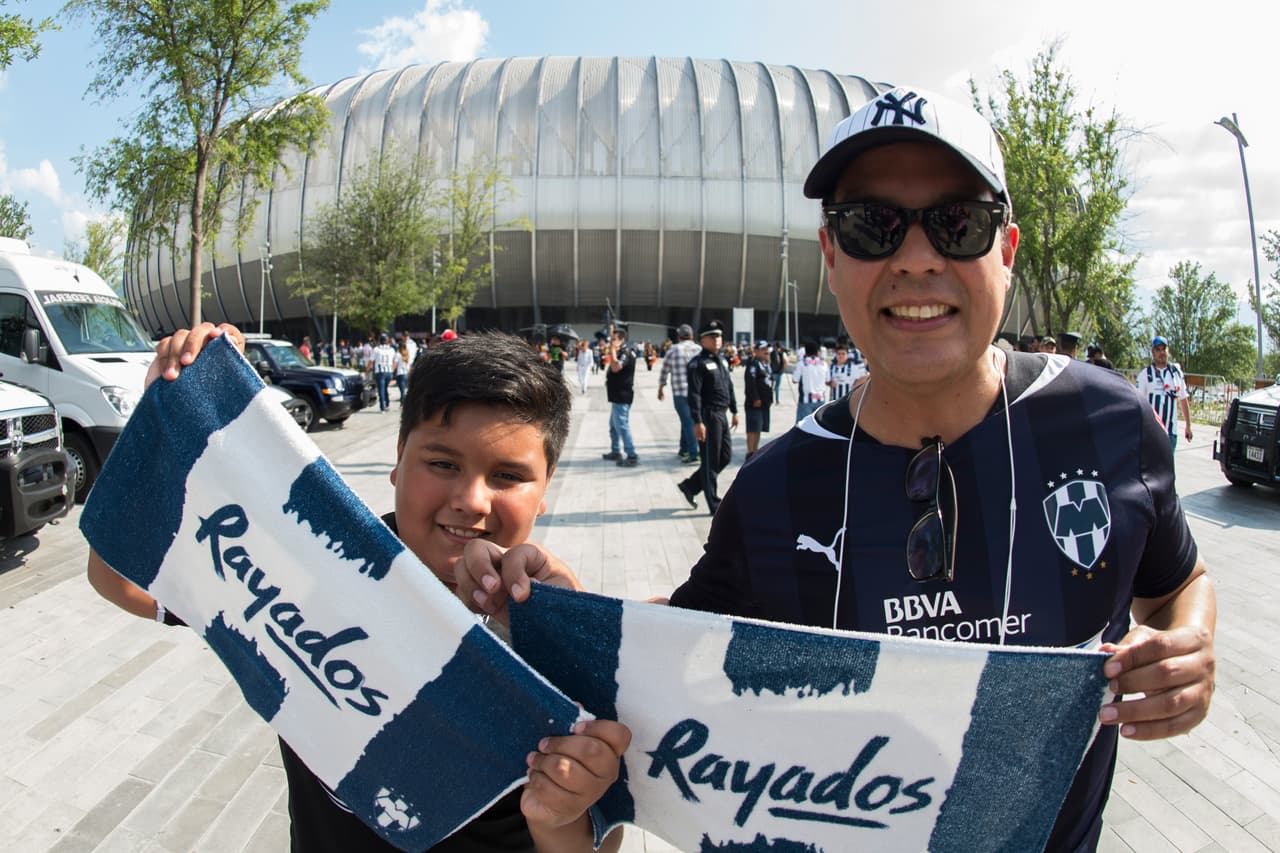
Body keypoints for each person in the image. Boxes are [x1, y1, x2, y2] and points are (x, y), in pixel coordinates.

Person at [463, 85, 1216, 852]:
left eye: (958, 224)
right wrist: (566, 613)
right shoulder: (772, 492)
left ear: (1008, 250)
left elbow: (1179, 580)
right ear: (830, 256)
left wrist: (1188, 642)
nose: (917, 259)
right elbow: (679, 648)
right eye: (872, 227)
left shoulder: (1107, 423)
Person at [86, 323, 629, 853]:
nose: (471, 499)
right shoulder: (319, 560)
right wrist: (165, 413)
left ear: (545, 491)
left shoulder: (566, 643)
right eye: (442, 463)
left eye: (508, 477)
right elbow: (117, 578)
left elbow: (603, 835)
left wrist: (561, 819)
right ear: (398, 458)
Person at [676, 320, 738, 514]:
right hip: (708, 415)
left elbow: (729, 386)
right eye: (712, 336)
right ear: (702, 340)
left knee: (725, 457)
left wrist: (735, 410)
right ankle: (714, 504)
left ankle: (691, 486)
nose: (717, 340)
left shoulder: (721, 360)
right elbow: (693, 395)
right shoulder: (697, 364)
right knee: (710, 460)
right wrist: (698, 421)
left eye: (718, 336)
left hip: (722, 414)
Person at [1136, 335, 1193, 449]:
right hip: (1152, 432)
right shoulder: (1145, 375)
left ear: (1168, 350)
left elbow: (1183, 399)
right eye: (1158, 350)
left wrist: (1188, 426)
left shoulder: (1176, 373)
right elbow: (1138, 403)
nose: (1161, 353)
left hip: (1170, 432)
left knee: (1168, 465)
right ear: (1153, 352)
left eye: (1164, 349)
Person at [657, 323, 701, 465]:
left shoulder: (673, 350)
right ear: (692, 336)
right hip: (698, 392)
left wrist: (661, 388)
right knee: (688, 420)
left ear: (679, 336)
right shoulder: (699, 349)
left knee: (688, 422)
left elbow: (665, 370)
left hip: (680, 392)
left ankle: (694, 453)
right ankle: (684, 449)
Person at [601, 323, 639, 467]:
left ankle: (632, 455)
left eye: (613, 339)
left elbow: (616, 367)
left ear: (621, 340)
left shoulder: (625, 353)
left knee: (622, 426)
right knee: (613, 425)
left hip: (622, 396)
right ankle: (616, 451)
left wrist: (611, 350)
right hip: (617, 396)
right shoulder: (621, 351)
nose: (611, 342)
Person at [742, 339, 772, 462]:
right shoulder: (753, 364)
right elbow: (751, 383)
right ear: (757, 351)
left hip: (764, 403)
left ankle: (755, 450)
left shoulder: (765, 363)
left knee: (758, 428)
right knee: (752, 429)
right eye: (763, 350)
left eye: (767, 349)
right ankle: (750, 452)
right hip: (755, 402)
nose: (766, 352)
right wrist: (755, 398)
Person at [792, 340, 828, 420]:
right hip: (820, 399)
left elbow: (795, 379)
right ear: (817, 351)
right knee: (817, 426)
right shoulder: (823, 363)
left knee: (803, 426)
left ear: (805, 351)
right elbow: (828, 380)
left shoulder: (802, 363)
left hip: (806, 400)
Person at [373, 333, 398, 412]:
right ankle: (387, 403)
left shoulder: (376, 349)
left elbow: (371, 360)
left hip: (380, 371)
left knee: (381, 389)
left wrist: (367, 368)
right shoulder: (391, 349)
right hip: (389, 371)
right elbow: (395, 361)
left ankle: (382, 407)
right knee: (385, 388)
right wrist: (392, 370)